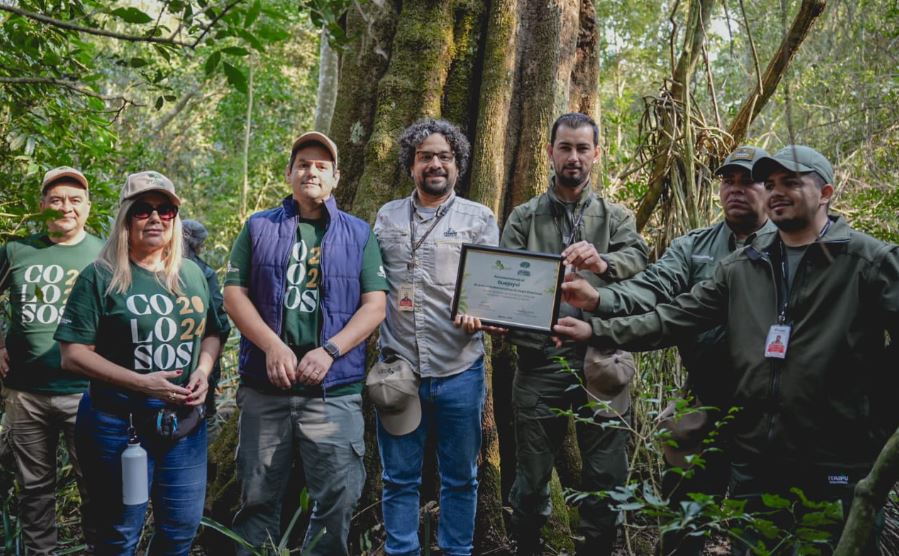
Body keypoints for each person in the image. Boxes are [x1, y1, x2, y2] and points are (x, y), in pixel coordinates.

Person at [554, 146, 899, 553]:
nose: (776, 193)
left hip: (836, 459)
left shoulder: (866, 260)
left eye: (791, 182)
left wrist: (878, 420)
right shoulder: (743, 265)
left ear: (825, 192)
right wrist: (595, 326)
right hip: (758, 458)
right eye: (770, 184)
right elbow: (674, 317)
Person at [560, 146, 776, 555]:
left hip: (766, 404)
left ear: (771, 188)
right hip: (703, 397)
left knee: (761, 520)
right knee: (684, 513)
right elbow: (654, 287)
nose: (734, 190)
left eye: (746, 181)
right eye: (727, 181)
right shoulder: (697, 245)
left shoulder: (787, 246)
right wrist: (598, 301)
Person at [224, 131, 387, 556]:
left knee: (339, 498)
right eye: (303, 164)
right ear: (289, 173)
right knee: (257, 498)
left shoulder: (358, 233)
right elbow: (233, 295)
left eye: (321, 166)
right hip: (265, 389)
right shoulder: (259, 227)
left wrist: (330, 349)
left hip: (333, 393)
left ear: (335, 177)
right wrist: (272, 346)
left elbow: (375, 306)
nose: (311, 171)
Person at [55, 170, 228, 555]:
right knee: (118, 534)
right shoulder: (100, 277)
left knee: (180, 532)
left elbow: (214, 331)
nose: (155, 219)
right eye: (143, 210)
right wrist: (141, 382)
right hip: (118, 424)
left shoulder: (193, 274)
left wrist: (202, 370)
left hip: (184, 425)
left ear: (175, 219)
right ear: (126, 218)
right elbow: (73, 354)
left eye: (165, 210)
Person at [499, 112, 649, 555]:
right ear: (550, 152)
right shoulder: (525, 217)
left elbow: (641, 264)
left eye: (583, 148)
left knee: (605, 477)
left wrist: (602, 262)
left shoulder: (615, 218)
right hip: (539, 359)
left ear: (596, 155)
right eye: (565, 147)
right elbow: (502, 279)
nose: (573, 157)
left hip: (602, 359)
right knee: (530, 479)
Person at [373, 118, 499, 556]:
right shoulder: (386, 216)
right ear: (412, 164)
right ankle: (401, 551)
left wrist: (481, 315)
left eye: (444, 156)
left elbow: (493, 292)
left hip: (459, 369)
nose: (435, 164)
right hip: (399, 369)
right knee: (398, 475)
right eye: (425, 156)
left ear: (457, 165)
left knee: (461, 476)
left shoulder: (479, 219)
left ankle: (456, 551)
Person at [0, 167, 102, 554]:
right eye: (57, 200)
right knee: (34, 491)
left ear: (87, 208)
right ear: (42, 206)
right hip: (25, 393)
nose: (66, 207)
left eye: (75, 200)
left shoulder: (105, 252)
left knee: (95, 485)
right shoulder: (17, 251)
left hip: (87, 393)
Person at [182, 219, 227, 416]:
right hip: (202, 357)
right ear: (198, 244)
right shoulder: (204, 272)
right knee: (202, 412)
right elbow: (220, 320)